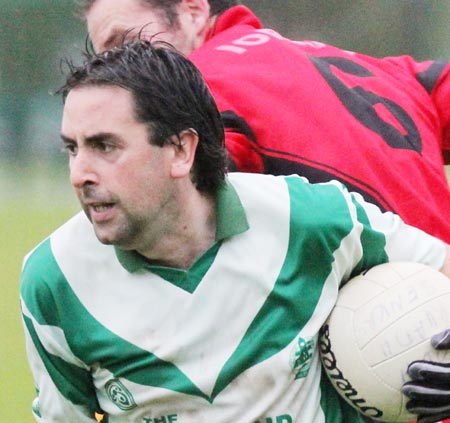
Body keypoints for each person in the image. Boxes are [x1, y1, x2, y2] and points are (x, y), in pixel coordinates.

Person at [20, 39, 450, 423]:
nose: (79, 174)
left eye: (105, 146)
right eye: (72, 149)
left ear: (180, 150)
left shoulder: (310, 218)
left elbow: (441, 266)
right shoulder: (54, 280)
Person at [81, 0, 450, 245]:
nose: (118, 68)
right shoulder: (368, 67)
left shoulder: (198, 86)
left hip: (387, 332)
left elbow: (177, 199)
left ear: (192, 11)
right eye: (106, 57)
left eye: (126, 43)